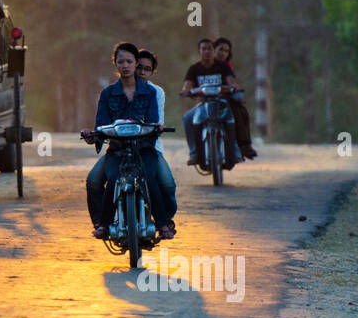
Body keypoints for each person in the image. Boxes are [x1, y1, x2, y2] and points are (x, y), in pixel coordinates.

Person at [81, 41, 172, 240]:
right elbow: (101, 125)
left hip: (145, 149)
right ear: (115, 63)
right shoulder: (107, 93)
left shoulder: (151, 93)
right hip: (117, 151)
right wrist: (93, 135)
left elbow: (153, 121)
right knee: (110, 179)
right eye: (120, 61)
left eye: (129, 61)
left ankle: (163, 223)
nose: (125, 65)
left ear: (136, 62)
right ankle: (103, 224)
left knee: (150, 177)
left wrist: (156, 127)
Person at [180, 37, 241, 167]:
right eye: (204, 49)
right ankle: (194, 153)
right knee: (187, 118)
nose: (207, 51)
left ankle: (234, 152)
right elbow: (187, 85)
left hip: (221, 104)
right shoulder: (194, 69)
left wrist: (234, 87)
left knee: (233, 118)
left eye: (210, 48)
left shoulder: (223, 66)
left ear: (214, 51)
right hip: (203, 105)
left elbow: (231, 81)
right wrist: (186, 91)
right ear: (199, 51)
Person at [135, 48, 178, 233]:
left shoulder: (156, 92)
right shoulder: (118, 90)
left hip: (151, 146)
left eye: (147, 68)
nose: (142, 72)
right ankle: (106, 222)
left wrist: (155, 128)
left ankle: (165, 219)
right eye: (139, 67)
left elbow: (157, 121)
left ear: (152, 71)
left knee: (167, 184)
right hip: (122, 146)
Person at [211, 37, 257, 158]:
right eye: (221, 49)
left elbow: (231, 81)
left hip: (224, 97)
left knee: (241, 111)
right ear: (213, 49)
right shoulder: (203, 64)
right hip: (206, 98)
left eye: (226, 51)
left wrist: (236, 88)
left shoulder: (226, 66)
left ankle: (244, 145)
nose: (223, 53)